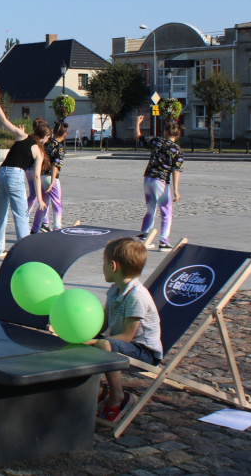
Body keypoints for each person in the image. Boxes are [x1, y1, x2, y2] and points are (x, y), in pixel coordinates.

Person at [88, 237, 162, 422]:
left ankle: (117, 396)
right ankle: (95, 391)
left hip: (144, 351)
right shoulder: (114, 290)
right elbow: (101, 325)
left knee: (104, 345)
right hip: (121, 344)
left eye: (103, 263)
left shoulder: (136, 296)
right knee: (85, 343)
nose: (102, 267)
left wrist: (94, 341)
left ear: (113, 266)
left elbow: (128, 336)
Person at [0, 89, 49, 258]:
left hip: (1, 173)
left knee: (0, 213)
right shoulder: (39, 151)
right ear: (45, 136)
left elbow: (3, 120)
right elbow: (37, 176)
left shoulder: (21, 135)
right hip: (15, 176)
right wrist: (39, 198)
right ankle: (25, 252)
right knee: (21, 215)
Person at [135, 114, 183, 251]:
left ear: (166, 132)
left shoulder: (157, 141)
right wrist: (176, 190)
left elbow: (138, 137)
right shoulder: (177, 151)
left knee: (150, 210)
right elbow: (176, 171)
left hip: (148, 179)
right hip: (160, 181)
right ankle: (164, 241)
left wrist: (137, 123)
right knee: (166, 211)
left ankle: (142, 238)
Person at [32, 120, 68, 233]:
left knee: (44, 203)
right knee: (57, 203)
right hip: (50, 177)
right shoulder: (60, 147)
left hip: (41, 176)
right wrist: (53, 180)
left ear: (53, 131)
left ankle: (35, 228)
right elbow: (55, 165)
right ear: (65, 134)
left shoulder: (47, 143)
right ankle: (57, 227)